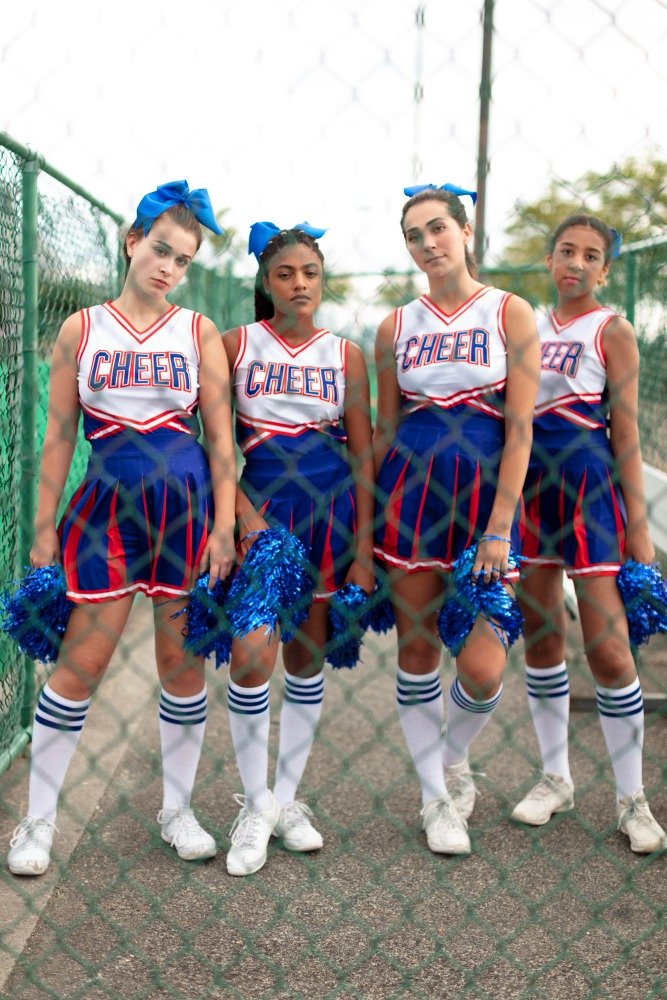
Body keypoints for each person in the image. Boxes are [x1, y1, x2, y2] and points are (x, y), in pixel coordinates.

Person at [7, 181, 237, 876]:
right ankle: (37, 821)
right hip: (104, 510)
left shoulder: (196, 331)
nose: (169, 267)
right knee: (81, 666)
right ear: (132, 242)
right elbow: (58, 438)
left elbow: (221, 440)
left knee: (182, 665)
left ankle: (177, 809)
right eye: (160, 250)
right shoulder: (82, 328)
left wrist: (224, 527)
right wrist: (43, 527)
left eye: (183, 259)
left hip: (185, 510)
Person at [373, 183, 540, 855]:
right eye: (413, 235)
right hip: (410, 493)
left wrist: (499, 525)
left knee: (482, 667)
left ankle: (451, 756)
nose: (427, 244)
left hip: (484, 496)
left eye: (437, 228)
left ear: (465, 231)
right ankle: (435, 799)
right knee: (416, 651)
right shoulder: (394, 325)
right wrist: (363, 521)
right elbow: (385, 429)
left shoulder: (508, 311)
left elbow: (520, 427)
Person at [220, 222, 374, 876]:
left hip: (330, 516)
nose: (299, 284)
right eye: (285, 273)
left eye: (309, 272)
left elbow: (364, 457)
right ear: (265, 281)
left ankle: (284, 800)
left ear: (322, 279)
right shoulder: (234, 345)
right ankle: (254, 803)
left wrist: (363, 548)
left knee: (306, 657)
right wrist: (242, 516)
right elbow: (214, 443)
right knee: (252, 656)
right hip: (262, 515)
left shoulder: (345, 355)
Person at [512, 213, 666, 853]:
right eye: (567, 251)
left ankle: (633, 799)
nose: (576, 263)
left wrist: (639, 527)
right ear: (550, 261)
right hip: (529, 488)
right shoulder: (525, 325)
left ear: (605, 270)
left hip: (589, 488)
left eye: (591, 255)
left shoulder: (613, 330)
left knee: (608, 648)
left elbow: (625, 432)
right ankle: (556, 777)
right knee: (543, 633)